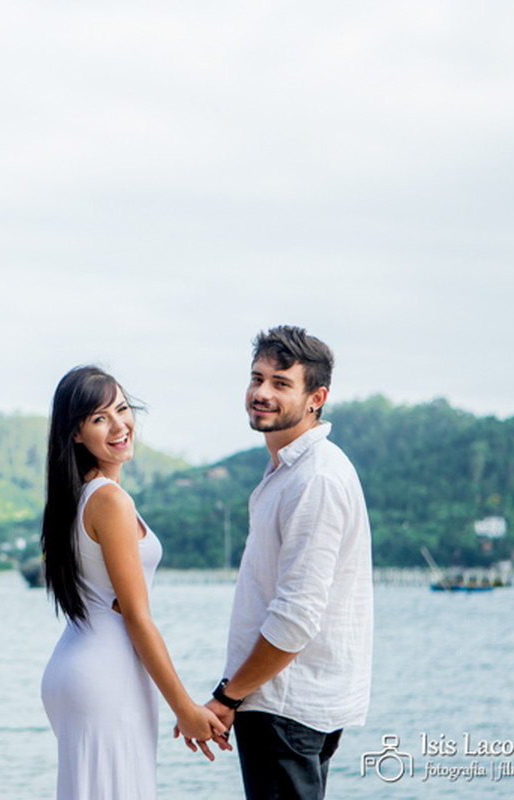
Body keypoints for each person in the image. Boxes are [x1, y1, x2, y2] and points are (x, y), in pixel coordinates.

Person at [192, 326, 373, 800]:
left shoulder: (315, 479)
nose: (261, 393)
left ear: (317, 397)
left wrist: (228, 696)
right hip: (284, 704)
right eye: (257, 378)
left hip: (285, 708)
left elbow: (295, 619)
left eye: (280, 383)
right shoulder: (287, 472)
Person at [40, 365, 228, 799]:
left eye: (122, 409)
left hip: (78, 663)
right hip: (106, 672)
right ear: (75, 433)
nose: (119, 425)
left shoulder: (78, 496)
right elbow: (137, 618)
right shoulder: (109, 500)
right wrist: (185, 707)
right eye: (99, 418)